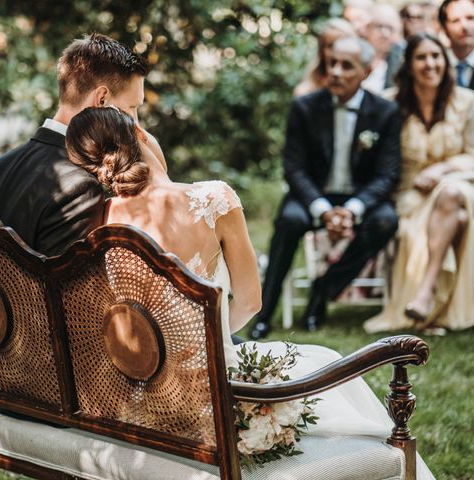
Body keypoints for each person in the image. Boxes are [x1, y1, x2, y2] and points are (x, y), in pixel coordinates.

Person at [64, 105, 434, 480]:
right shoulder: (213, 198)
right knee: (327, 363)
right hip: (219, 390)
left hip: (147, 397)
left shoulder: (100, 216)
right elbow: (251, 302)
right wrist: (218, 337)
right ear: (141, 134)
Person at [250, 37, 401, 339]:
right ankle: (263, 313)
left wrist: (352, 209)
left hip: (359, 196)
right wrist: (322, 209)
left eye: (347, 66)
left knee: (385, 220)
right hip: (313, 196)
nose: (335, 71)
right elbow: (294, 168)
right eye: (332, 63)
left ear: (367, 71)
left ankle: (324, 289)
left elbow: (387, 174)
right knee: (290, 220)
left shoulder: (385, 112)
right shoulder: (305, 107)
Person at [0, 33, 151, 257]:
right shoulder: (80, 187)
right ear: (102, 100)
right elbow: (69, 291)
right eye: (131, 108)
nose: (136, 124)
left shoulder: (0, 166)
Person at [364, 32, 474, 334]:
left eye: (436, 56)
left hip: (459, 183)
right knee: (455, 220)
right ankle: (439, 310)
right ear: (409, 64)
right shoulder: (389, 104)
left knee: (452, 196)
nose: (430, 64)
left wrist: (442, 170)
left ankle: (424, 294)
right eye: (421, 57)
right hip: (409, 192)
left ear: (446, 61)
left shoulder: (466, 102)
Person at [294, 18, 357, 97]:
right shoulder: (307, 91)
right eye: (331, 46)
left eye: (342, 44)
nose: (337, 51)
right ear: (322, 50)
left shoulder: (365, 87)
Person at [363, 3, 403, 93]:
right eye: (380, 26)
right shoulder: (357, 55)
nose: (385, 34)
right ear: (367, 27)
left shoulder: (400, 61)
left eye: (390, 28)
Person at [439, 0, 474, 88]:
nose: (464, 26)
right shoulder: (436, 66)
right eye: (455, 21)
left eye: (470, 18)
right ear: (444, 28)